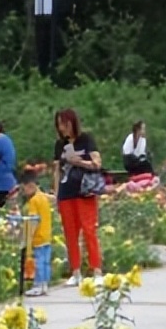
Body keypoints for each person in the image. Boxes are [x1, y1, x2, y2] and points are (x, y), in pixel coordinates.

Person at [52, 108, 104, 288]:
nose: (62, 128)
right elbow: (57, 170)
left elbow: (97, 163)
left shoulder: (86, 139)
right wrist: (57, 195)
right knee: (70, 233)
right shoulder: (60, 144)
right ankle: (75, 271)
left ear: (72, 123)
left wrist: (79, 162)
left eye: (64, 124)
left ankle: (96, 269)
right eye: (59, 125)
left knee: (89, 230)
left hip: (85, 190)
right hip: (67, 192)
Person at [20, 170, 53, 296]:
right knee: (45, 261)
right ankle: (44, 284)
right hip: (47, 235)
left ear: (30, 186)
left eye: (24, 189)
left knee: (38, 261)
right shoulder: (43, 197)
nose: (24, 192)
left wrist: (28, 238)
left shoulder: (33, 201)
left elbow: (33, 221)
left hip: (38, 237)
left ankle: (38, 285)